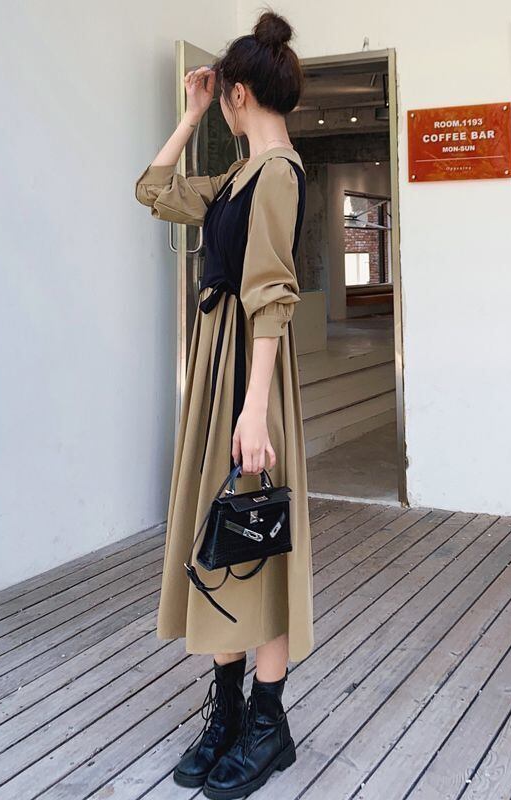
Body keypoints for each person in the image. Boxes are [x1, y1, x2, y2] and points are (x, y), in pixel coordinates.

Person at [134, 9, 312, 799]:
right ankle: (231, 714)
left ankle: (268, 725)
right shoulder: (239, 175)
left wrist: (254, 409)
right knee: (222, 541)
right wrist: (191, 114)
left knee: (258, 544)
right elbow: (152, 190)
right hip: (221, 372)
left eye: (220, 97)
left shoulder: (277, 174)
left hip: (248, 374)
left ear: (242, 92)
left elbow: (272, 295)